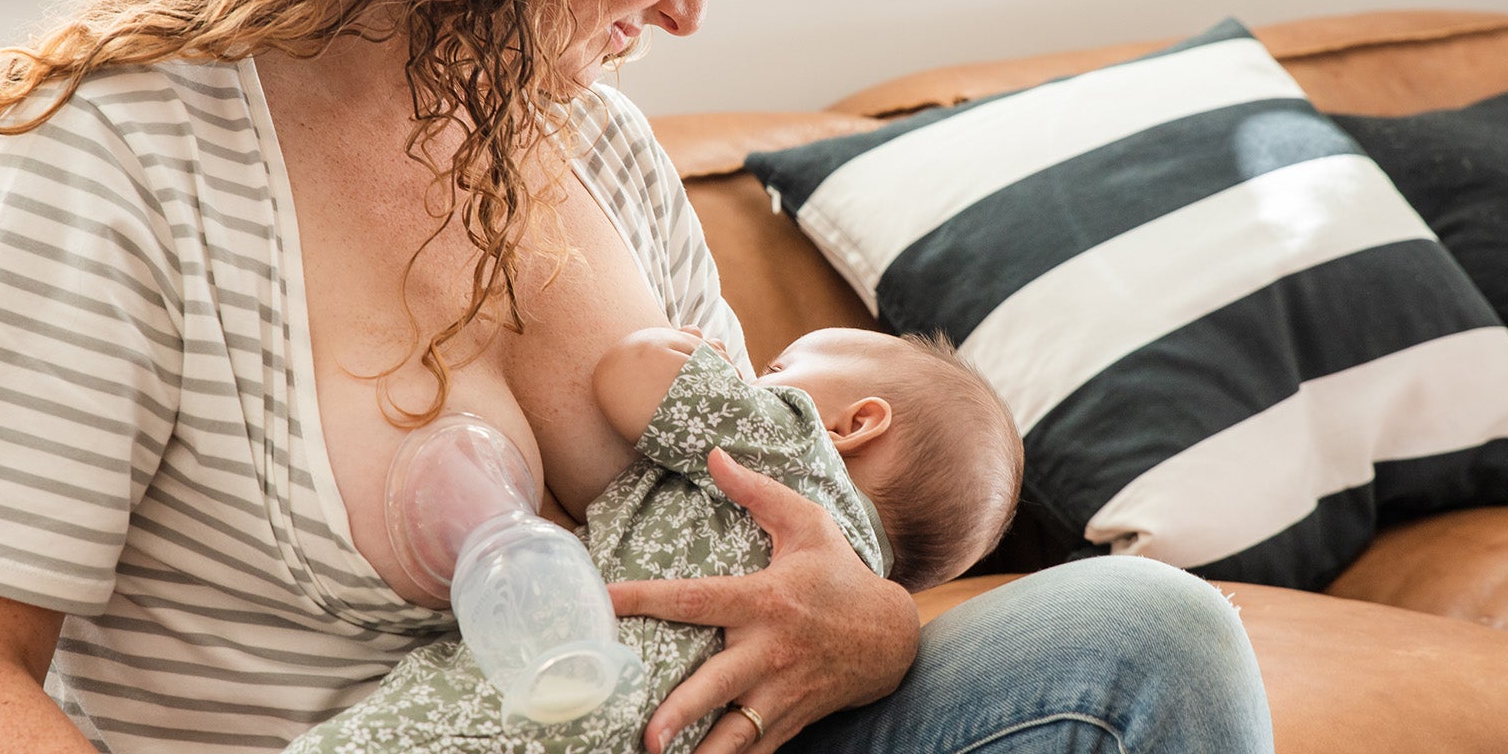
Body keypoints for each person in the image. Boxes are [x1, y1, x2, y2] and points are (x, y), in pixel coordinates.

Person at [0, 0, 1277, 753]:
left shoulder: (601, 150)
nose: (689, 12)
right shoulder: (110, 165)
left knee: (1152, 641)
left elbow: (765, 497)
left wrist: (872, 632)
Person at [286, 323, 1025, 753]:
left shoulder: (800, 453)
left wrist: (689, 356)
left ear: (855, 424)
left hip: (561, 692)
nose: (752, 374)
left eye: (778, 368)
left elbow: (629, 374)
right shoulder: (849, 565)